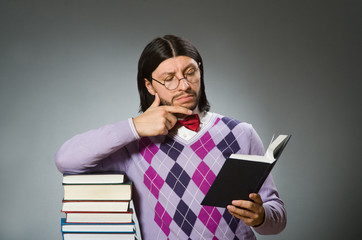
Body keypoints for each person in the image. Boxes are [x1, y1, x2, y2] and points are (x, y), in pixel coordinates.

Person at [55, 35, 286, 239]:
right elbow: (66, 160)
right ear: (150, 86)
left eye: (190, 72)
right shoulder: (132, 146)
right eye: (169, 78)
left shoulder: (241, 133)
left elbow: (277, 217)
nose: (184, 85)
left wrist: (261, 216)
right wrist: (134, 126)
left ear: (200, 71)